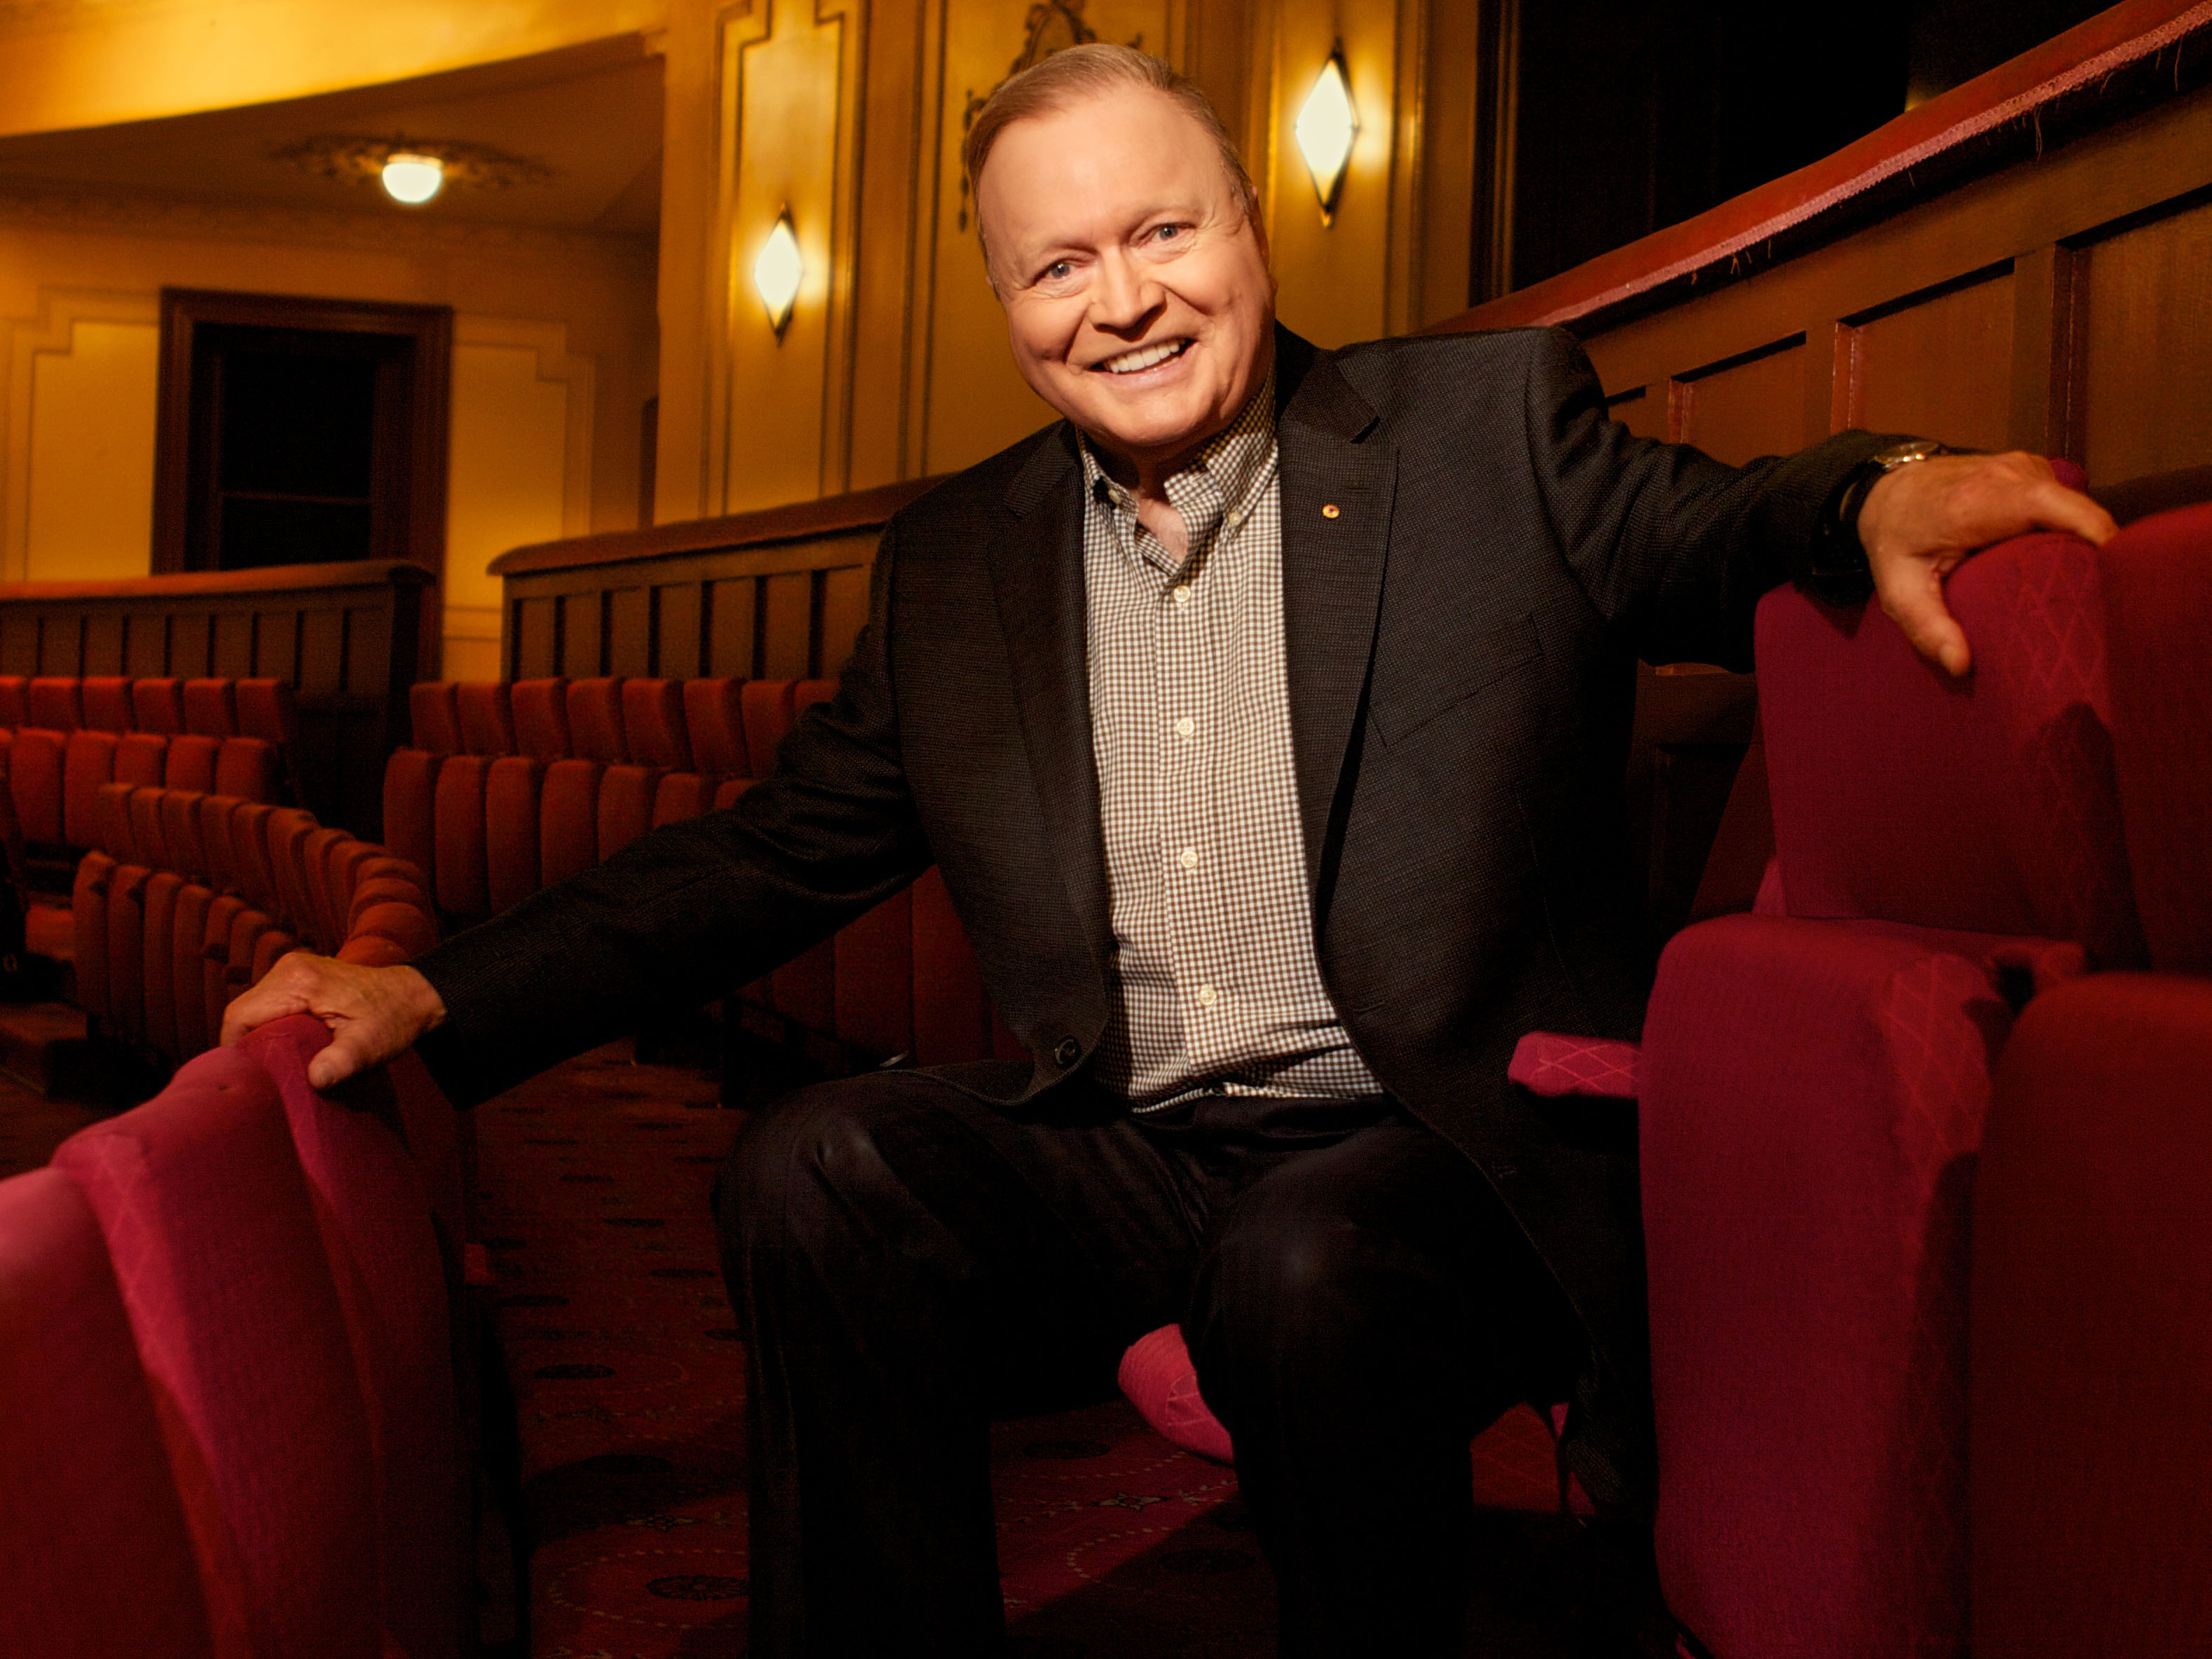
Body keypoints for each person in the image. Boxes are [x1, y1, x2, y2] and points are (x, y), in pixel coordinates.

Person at [225, 43, 2116, 1658]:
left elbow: (1712, 529)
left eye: (1160, 233)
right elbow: (771, 854)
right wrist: (436, 994)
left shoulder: (1483, 431)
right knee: (819, 1166)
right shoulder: (958, 562)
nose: (1119, 302)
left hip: (1439, 1150)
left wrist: (1878, 492)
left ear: (1251, 230)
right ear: (1005, 305)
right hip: (1140, 1142)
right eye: (1057, 265)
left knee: (1300, 1264)